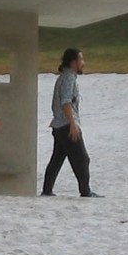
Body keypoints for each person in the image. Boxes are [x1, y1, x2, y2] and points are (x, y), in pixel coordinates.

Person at [42, 47, 100, 197]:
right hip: (66, 125)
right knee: (82, 159)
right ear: (73, 62)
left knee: (57, 158)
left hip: (58, 125)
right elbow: (66, 102)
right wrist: (73, 125)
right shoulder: (68, 78)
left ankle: (47, 190)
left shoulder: (66, 76)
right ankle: (85, 191)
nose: (83, 63)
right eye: (81, 59)